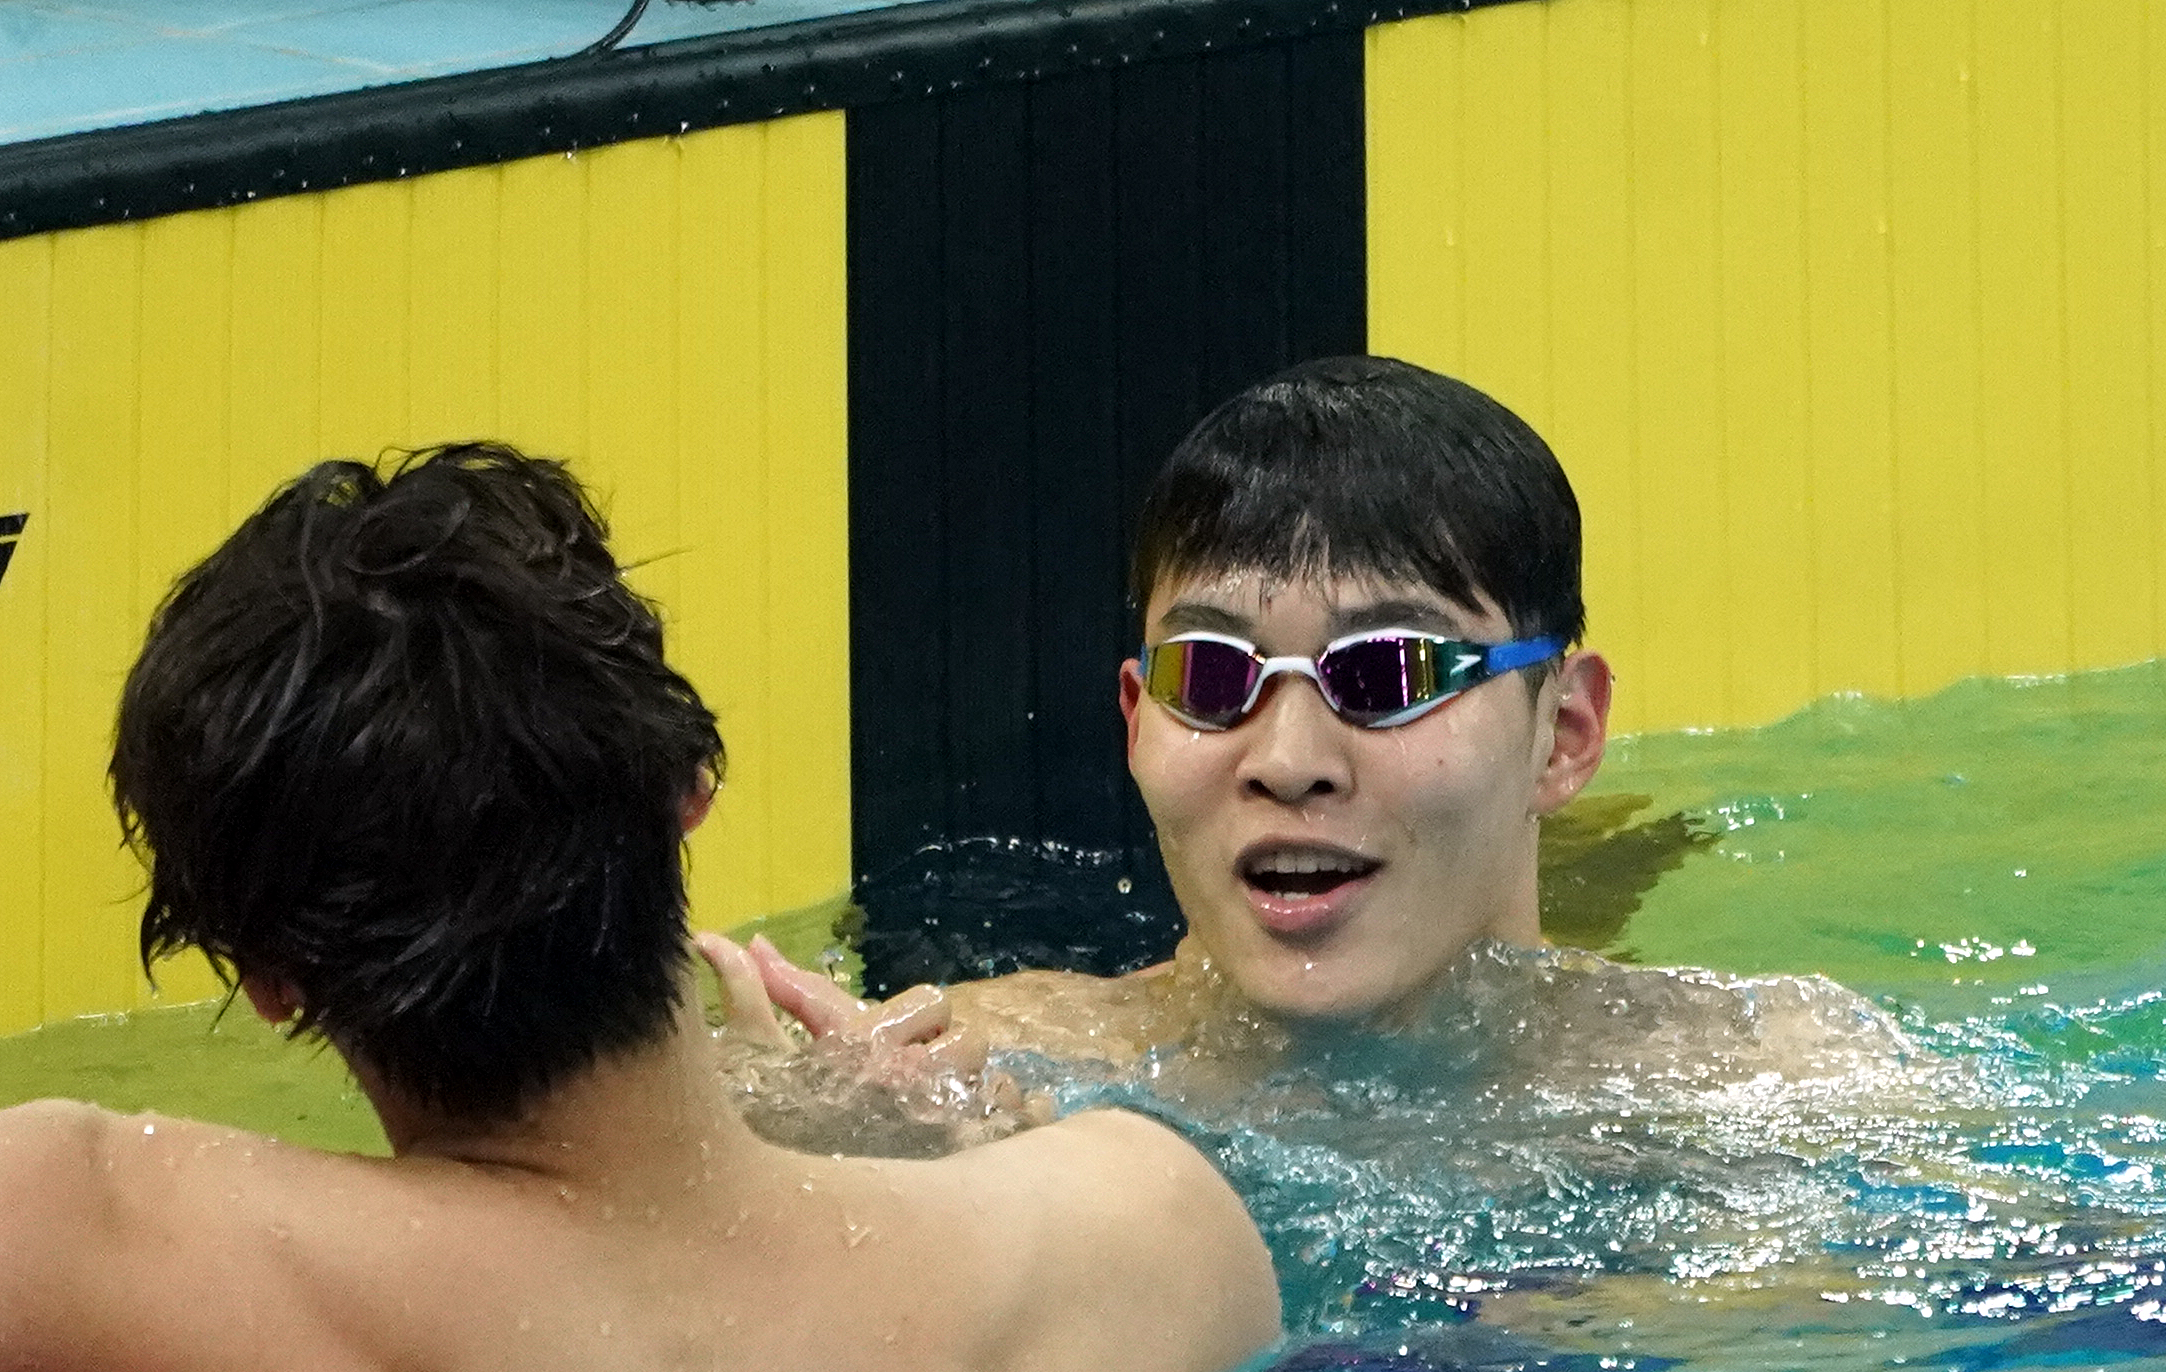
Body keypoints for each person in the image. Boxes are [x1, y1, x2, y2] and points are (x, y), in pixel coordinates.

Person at [0, 445, 1278, 1372]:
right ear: (689, 790)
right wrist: (929, 1145)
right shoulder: (1138, 1233)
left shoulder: (84, 1235)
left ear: (268, 980)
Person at [709, 357, 1902, 1091]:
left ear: (1565, 733)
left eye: (1386, 671)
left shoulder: (1775, 1081)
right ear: (1133, 720)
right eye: (1214, 673)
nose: (1286, 760)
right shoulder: (967, 1067)